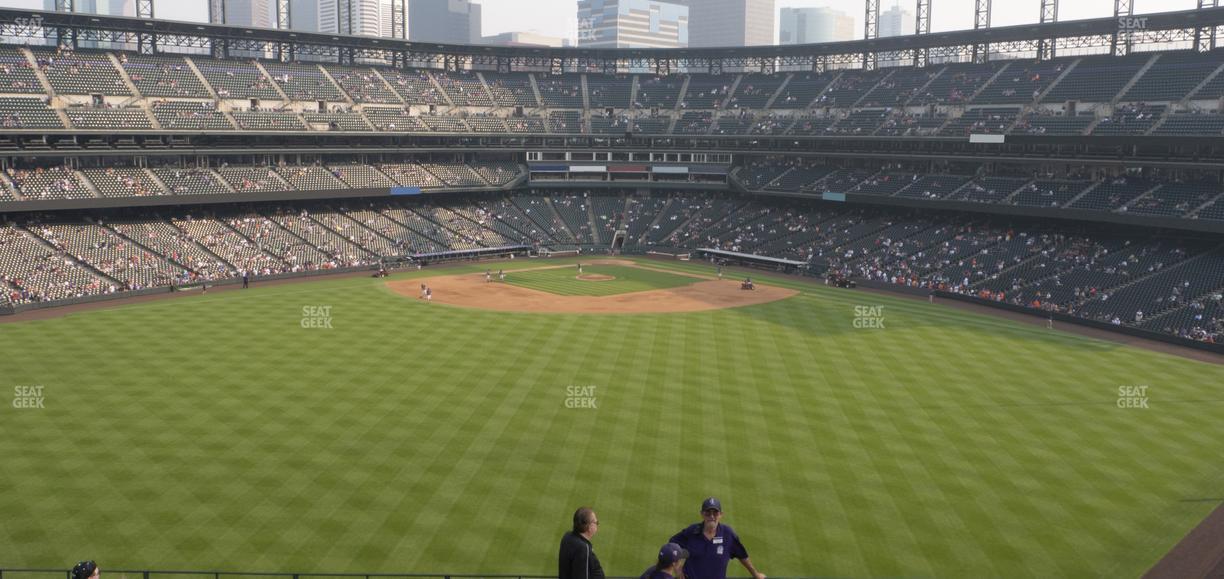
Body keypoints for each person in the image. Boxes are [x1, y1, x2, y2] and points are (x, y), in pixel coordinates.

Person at [668, 498, 764, 579]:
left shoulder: (728, 534)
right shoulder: (692, 531)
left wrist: (755, 574)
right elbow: (672, 545)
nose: (712, 516)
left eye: (715, 513)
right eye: (708, 513)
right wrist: (677, 567)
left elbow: (742, 555)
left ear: (721, 514)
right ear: (702, 514)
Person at [559, 507, 605, 579]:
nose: (597, 524)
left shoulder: (567, 536)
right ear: (589, 527)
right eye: (596, 522)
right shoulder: (583, 548)